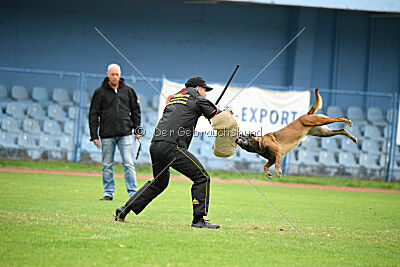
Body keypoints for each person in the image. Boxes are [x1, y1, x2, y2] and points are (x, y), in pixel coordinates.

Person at [115, 76, 221, 229]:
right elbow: (219, 116)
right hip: (172, 146)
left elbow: (186, 113)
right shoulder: (197, 97)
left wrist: (205, 112)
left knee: (160, 182)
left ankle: (125, 208)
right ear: (198, 88)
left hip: (156, 144)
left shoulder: (175, 97)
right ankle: (198, 220)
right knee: (202, 177)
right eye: (205, 90)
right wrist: (216, 112)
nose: (206, 94)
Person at [89, 63, 141, 200]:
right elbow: (93, 114)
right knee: (107, 164)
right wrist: (93, 135)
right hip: (107, 135)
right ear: (108, 75)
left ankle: (133, 193)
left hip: (125, 133)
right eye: (112, 74)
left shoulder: (128, 90)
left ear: (120, 75)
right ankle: (108, 193)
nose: (115, 77)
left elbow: (136, 111)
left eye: (117, 74)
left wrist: (137, 129)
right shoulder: (99, 92)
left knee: (128, 163)